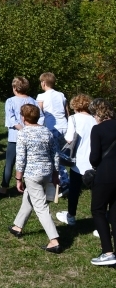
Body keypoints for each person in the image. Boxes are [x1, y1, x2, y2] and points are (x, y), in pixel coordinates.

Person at [10, 103, 61, 252]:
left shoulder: (24, 133)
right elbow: (55, 154)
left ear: (23, 117)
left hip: (32, 175)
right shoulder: (47, 132)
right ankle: (17, 226)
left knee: (41, 207)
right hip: (46, 173)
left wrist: (18, 178)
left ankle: (54, 240)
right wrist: (55, 173)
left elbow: (21, 158)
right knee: (30, 196)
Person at [0, 77, 39, 195]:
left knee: (9, 163)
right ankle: (26, 187)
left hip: (15, 137)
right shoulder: (33, 101)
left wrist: (23, 129)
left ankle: (4, 188)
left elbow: (11, 120)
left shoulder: (10, 101)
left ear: (14, 88)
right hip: (31, 137)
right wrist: (31, 129)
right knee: (27, 162)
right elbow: (40, 117)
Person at [56, 94, 95, 227]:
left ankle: (71, 216)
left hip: (78, 161)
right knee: (95, 193)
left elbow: (69, 138)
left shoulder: (73, 119)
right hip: (93, 161)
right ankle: (98, 219)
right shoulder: (95, 119)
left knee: (74, 189)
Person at [89, 98, 116, 266]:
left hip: (105, 176)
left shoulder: (97, 130)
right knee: (114, 213)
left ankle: (107, 251)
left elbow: (95, 158)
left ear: (97, 113)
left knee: (98, 210)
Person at [37, 72, 69, 193]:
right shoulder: (61, 95)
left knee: (54, 157)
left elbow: (38, 114)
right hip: (64, 127)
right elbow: (66, 112)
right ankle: (57, 182)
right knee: (60, 155)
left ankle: (63, 183)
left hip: (52, 128)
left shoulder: (41, 96)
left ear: (43, 83)